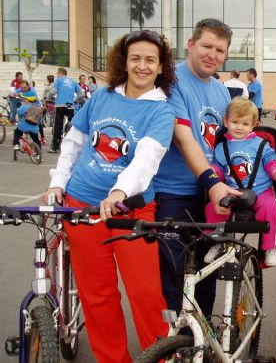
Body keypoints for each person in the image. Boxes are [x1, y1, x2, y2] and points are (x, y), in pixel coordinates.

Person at [41, 30, 176, 363]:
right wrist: (59, 182)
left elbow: (147, 158)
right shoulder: (101, 97)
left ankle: (157, 358)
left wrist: (119, 191)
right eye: (135, 58)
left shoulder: (161, 111)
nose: (142, 66)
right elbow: (73, 143)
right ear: (124, 61)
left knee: (146, 295)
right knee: (98, 295)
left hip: (132, 210)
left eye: (150, 60)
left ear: (160, 67)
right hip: (81, 205)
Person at [153, 18, 240, 317]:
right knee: (174, 273)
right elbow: (183, 138)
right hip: (173, 192)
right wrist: (211, 180)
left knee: (207, 270)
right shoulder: (170, 80)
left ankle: (201, 335)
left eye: (220, 49)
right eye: (206, 46)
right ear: (190, 45)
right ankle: (177, 338)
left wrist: (269, 151)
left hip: (209, 196)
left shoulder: (221, 91)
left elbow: (228, 139)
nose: (212, 55)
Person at [204, 98, 276, 267]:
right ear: (226, 121)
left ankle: (270, 248)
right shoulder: (221, 148)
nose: (239, 127)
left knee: (272, 209)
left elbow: (271, 161)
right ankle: (217, 242)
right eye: (235, 122)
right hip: (232, 191)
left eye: (245, 124)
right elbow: (218, 168)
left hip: (261, 190)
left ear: (254, 125)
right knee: (212, 207)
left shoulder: (262, 144)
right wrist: (212, 173)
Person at [48, 67, 83, 154]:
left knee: (57, 126)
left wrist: (48, 97)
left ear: (60, 73)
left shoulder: (59, 80)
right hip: (70, 105)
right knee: (72, 125)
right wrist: (77, 101)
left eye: (57, 74)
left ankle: (55, 147)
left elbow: (53, 91)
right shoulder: (73, 81)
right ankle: (73, 143)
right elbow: (81, 94)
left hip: (60, 105)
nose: (57, 75)